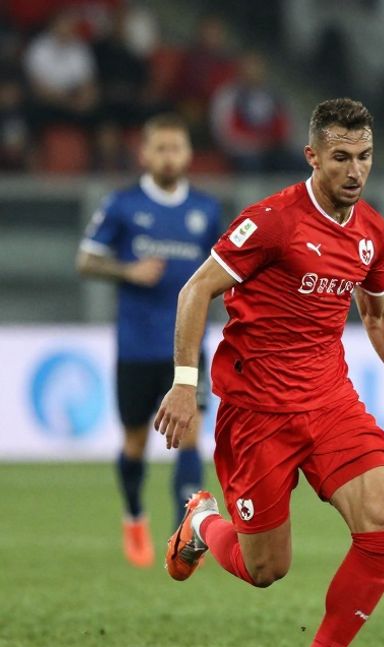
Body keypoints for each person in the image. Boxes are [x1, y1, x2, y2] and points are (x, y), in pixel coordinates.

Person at [155, 98, 384, 647]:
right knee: (266, 569)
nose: (355, 170)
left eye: (364, 157)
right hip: (256, 410)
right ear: (313, 156)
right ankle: (204, 523)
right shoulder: (272, 221)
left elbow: (378, 313)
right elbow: (194, 289)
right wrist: (185, 383)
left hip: (328, 398)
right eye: (341, 157)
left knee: (382, 520)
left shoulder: (371, 230)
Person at [76, 112, 221, 567]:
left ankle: (188, 532)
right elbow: (86, 260)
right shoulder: (121, 205)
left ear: (188, 154)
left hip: (187, 344)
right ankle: (135, 513)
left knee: (192, 436)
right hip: (136, 344)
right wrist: (127, 270)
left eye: (176, 148)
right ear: (144, 153)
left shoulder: (206, 209)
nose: (169, 156)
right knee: (136, 441)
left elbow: (223, 271)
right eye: (160, 148)